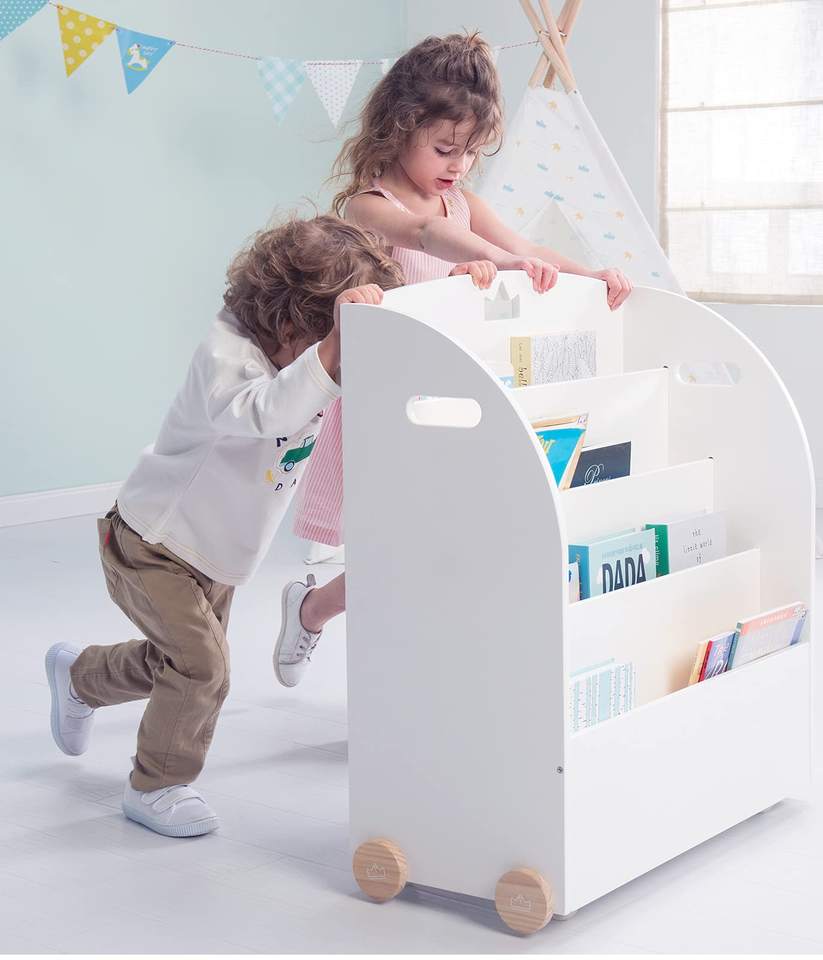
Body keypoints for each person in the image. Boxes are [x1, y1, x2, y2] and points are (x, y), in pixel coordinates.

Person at [277, 32, 632, 688]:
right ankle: (312, 611)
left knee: (450, 536)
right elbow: (428, 235)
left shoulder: (464, 204)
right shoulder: (368, 205)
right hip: (388, 403)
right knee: (395, 546)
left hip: (456, 399)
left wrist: (590, 274)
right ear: (398, 127)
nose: (459, 166)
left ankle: (439, 667)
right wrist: (496, 260)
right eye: (445, 149)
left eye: (470, 152)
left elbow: (526, 246)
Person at [45, 215, 403, 838]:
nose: (336, 368)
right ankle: (156, 785)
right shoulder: (226, 357)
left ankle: (80, 677)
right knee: (203, 668)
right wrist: (333, 347)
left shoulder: (303, 358)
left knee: (177, 663)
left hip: (217, 554)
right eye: (328, 346)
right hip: (154, 543)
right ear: (289, 324)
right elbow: (266, 414)